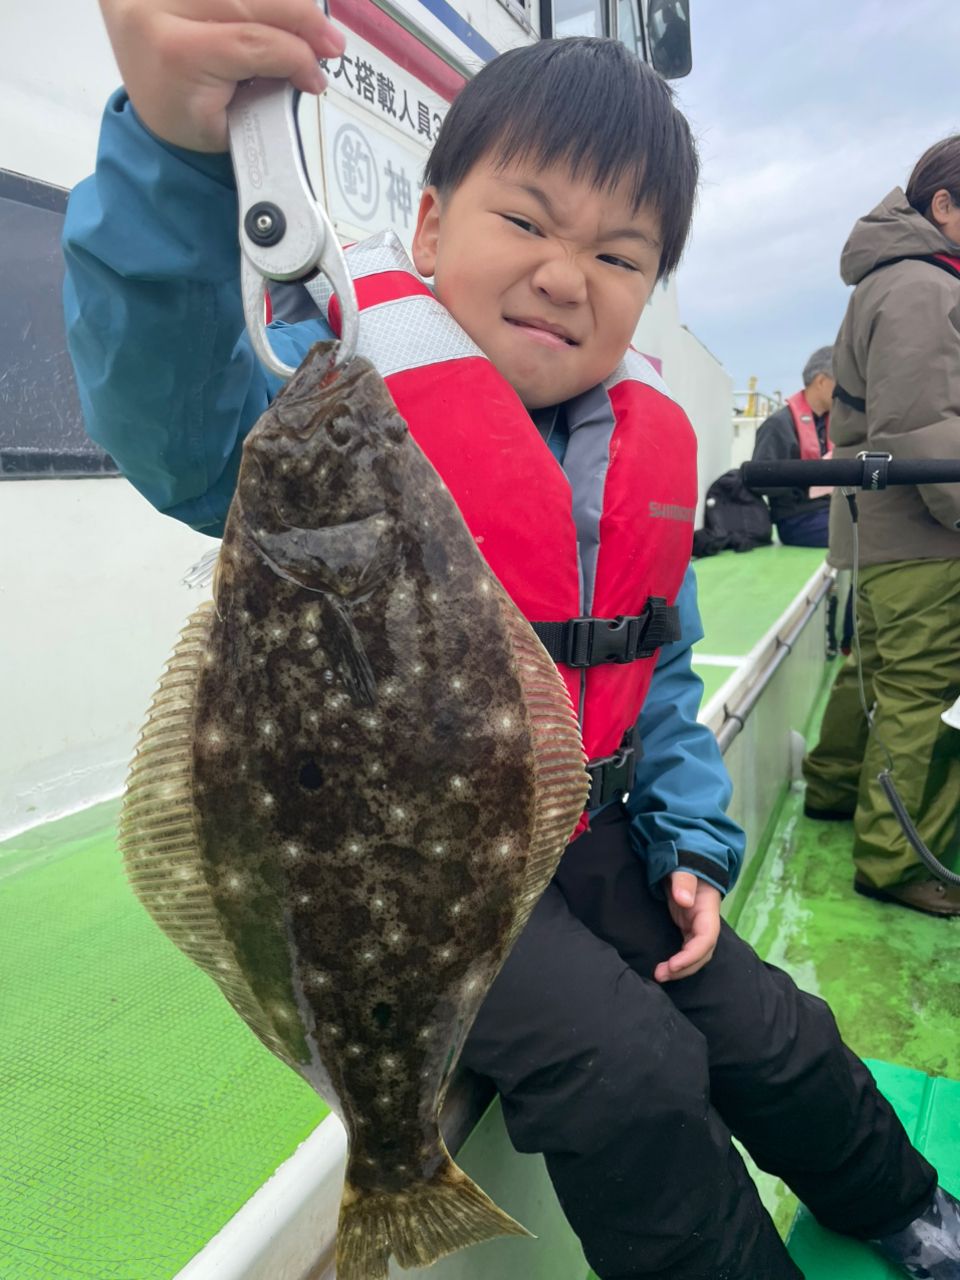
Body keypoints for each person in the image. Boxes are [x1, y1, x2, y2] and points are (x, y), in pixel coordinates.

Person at [62, 9, 960, 1277]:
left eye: (619, 253)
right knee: (625, 1069)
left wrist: (692, 839)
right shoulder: (329, 397)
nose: (564, 272)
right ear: (428, 228)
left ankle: (905, 1203)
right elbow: (167, 402)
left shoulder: (630, 455)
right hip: (403, 876)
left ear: (651, 286)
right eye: (527, 222)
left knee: (769, 1026)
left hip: (593, 835)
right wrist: (174, 147)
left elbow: (648, 678)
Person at [802, 136, 960, 921]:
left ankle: (833, 789)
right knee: (921, 687)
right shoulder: (925, 288)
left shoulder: (890, 277)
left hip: (880, 533)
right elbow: (926, 429)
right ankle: (895, 860)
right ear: (943, 208)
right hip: (926, 533)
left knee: (872, 663)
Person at [750, 346, 836, 547]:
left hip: (831, 509)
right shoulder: (778, 425)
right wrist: (809, 477)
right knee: (867, 532)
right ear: (822, 381)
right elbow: (759, 479)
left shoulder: (833, 424)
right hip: (798, 519)